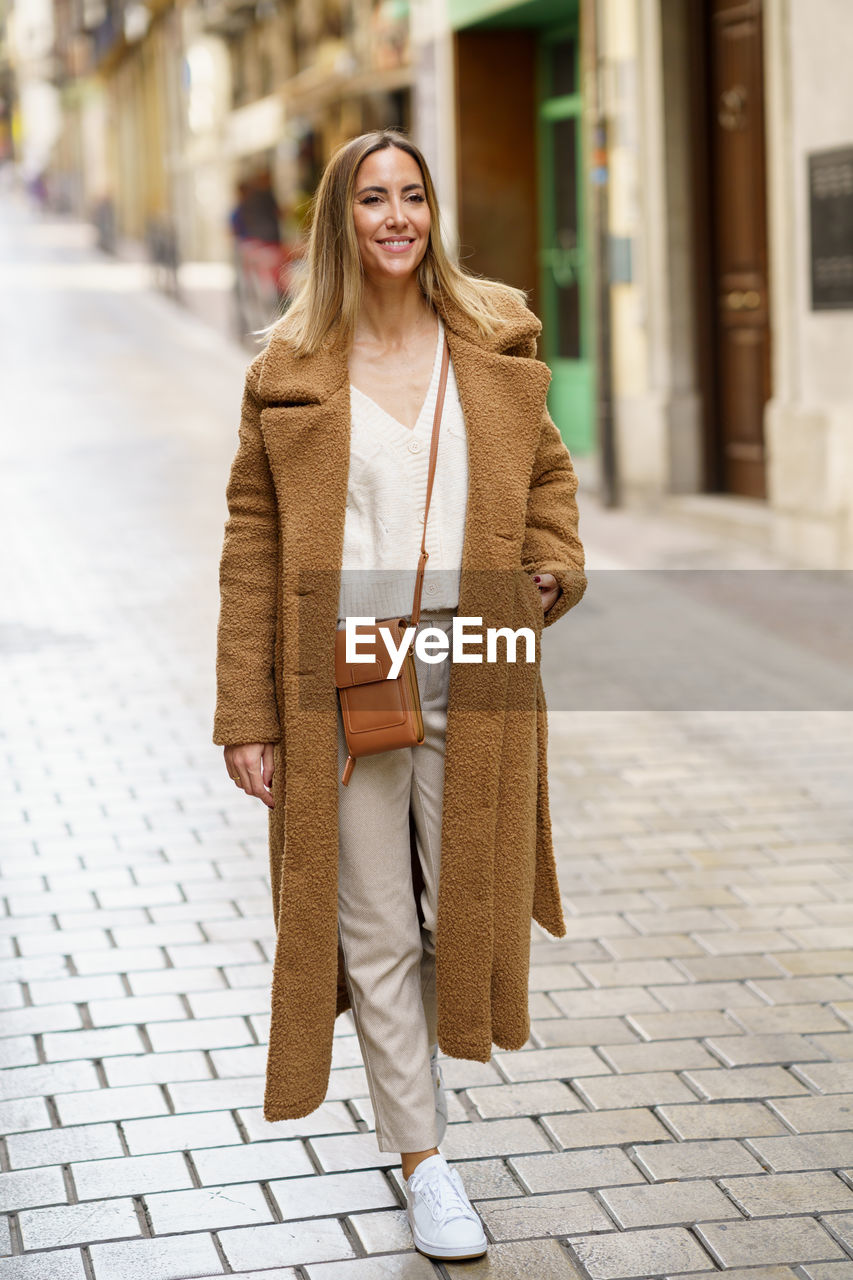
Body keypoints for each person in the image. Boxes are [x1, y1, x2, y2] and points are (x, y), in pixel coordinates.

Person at [212, 127, 587, 1261]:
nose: (393, 217)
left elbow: (548, 481)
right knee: (372, 922)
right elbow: (251, 537)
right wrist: (246, 712)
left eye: (411, 196)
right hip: (343, 663)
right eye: (370, 198)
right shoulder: (290, 364)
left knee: (451, 907)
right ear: (339, 220)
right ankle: (426, 1160)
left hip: (473, 653)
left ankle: (426, 1107)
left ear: (431, 213)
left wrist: (550, 561)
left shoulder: (490, 335)